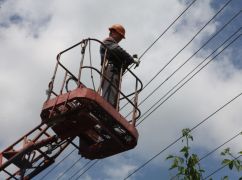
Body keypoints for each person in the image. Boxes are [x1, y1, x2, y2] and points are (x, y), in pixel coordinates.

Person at [100, 24, 140, 109]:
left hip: (114, 72)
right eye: (120, 36)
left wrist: (129, 60)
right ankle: (107, 109)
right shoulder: (108, 41)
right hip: (110, 70)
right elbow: (117, 50)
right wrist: (131, 59)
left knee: (113, 95)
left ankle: (112, 109)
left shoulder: (112, 44)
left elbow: (122, 62)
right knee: (109, 95)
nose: (121, 39)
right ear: (114, 33)